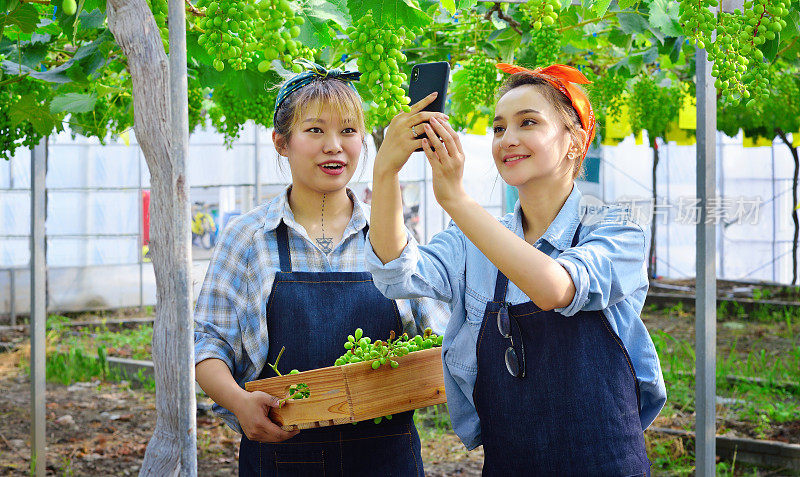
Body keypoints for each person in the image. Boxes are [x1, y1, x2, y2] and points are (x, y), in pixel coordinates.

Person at [367, 64, 666, 476]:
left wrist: (457, 200)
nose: (508, 139)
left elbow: (556, 288)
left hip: (605, 463)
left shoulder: (616, 230)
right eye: (498, 127)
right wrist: (385, 171)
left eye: (528, 123)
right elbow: (396, 273)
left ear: (574, 143)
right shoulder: (473, 239)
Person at [193, 61, 449, 476]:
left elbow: (438, 334)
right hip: (282, 454)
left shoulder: (389, 234)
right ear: (281, 142)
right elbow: (208, 343)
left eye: (348, 131)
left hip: (385, 459)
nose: (335, 145)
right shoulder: (249, 237)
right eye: (315, 130)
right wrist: (239, 403)